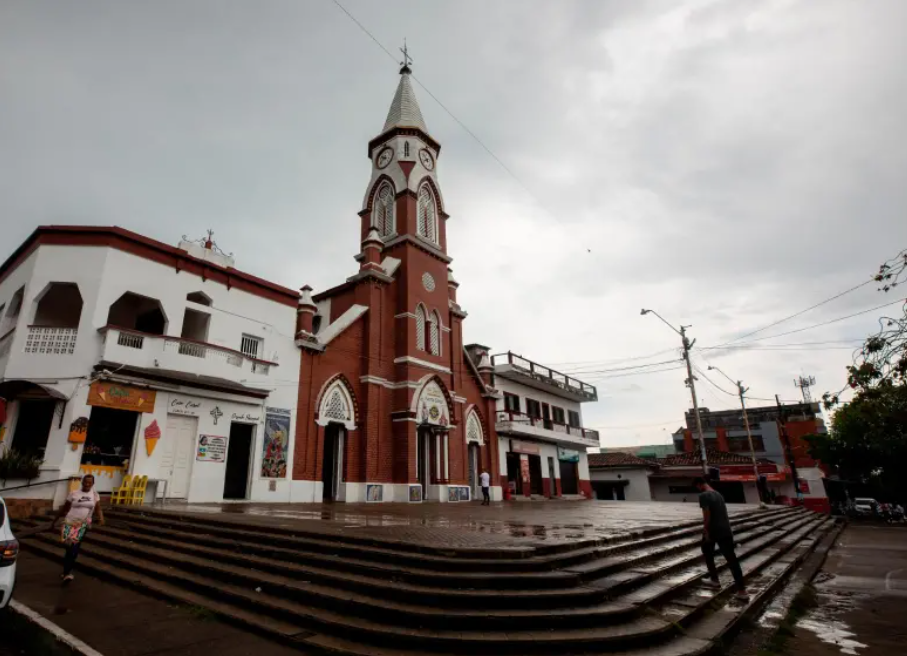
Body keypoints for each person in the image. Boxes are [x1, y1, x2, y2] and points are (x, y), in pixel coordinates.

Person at [694, 476, 749, 599]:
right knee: (731, 559)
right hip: (726, 530)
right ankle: (742, 590)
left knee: (707, 552)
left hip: (714, 530)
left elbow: (707, 515)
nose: (698, 489)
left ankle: (715, 580)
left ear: (699, 484)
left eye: (697, 487)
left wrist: (705, 530)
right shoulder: (718, 494)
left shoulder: (704, 496)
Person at [52, 474, 104, 583]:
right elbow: (64, 508)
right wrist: (54, 521)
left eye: (89, 482)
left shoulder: (95, 495)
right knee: (69, 548)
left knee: (74, 547)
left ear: (93, 484)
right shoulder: (74, 494)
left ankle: (67, 573)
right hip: (69, 523)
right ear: (82, 482)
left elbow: (98, 509)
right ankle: (66, 571)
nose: (87, 484)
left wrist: (101, 518)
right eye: (85, 482)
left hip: (82, 525)